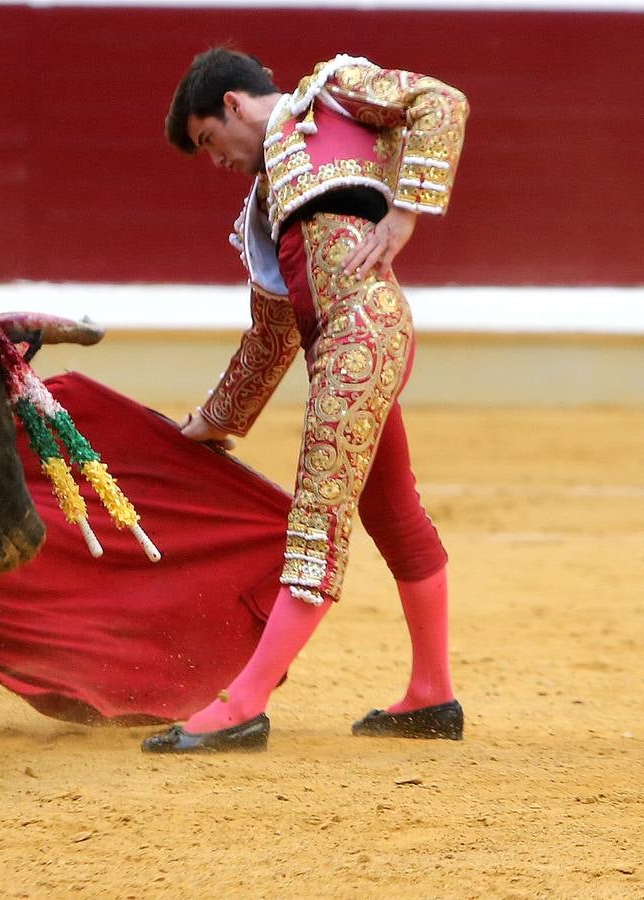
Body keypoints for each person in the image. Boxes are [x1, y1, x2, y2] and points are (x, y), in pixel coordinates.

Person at [143, 48, 469, 753]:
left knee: (316, 520)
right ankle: (431, 694)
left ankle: (243, 704)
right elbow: (270, 335)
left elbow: (439, 100)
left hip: (362, 331)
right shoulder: (266, 205)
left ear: (232, 104)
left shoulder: (331, 94)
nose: (216, 159)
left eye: (207, 140)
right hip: (340, 347)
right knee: (391, 509)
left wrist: (406, 214)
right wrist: (208, 423)